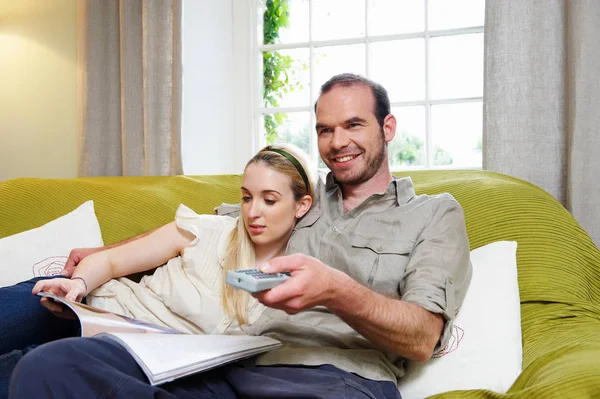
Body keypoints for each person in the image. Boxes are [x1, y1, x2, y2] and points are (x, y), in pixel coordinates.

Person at [9, 73, 472, 399]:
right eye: (325, 130)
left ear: (387, 129)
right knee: (50, 367)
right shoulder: (300, 197)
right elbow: (204, 226)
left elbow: (421, 337)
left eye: (354, 125)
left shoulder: (432, 215)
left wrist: (334, 290)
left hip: (338, 381)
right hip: (232, 366)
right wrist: (101, 257)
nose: (337, 142)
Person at [0, 143, 315, 397]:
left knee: (26, 371)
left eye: (269, 200)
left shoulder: (294, 285)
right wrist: (79, 284)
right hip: (82, 303)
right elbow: (111, 261)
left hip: (119, 356)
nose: (253, 212)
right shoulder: (206, 230)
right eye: (246, 198)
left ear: (301, 205)